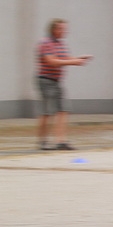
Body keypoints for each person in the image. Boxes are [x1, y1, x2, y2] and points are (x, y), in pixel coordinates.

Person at [37, 19, 89, 151]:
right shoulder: (45, 42)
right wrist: (73, 62)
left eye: (65, 29)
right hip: (46, 80)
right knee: (47, 111)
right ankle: (43, 141)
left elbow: (65, 58)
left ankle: (61, 141)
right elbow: (52, 61)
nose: (65, 31)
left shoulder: (60, 43)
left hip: (57, 81)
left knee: (63, 109)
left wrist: (78, 58)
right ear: (54, 29)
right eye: (61, 29)